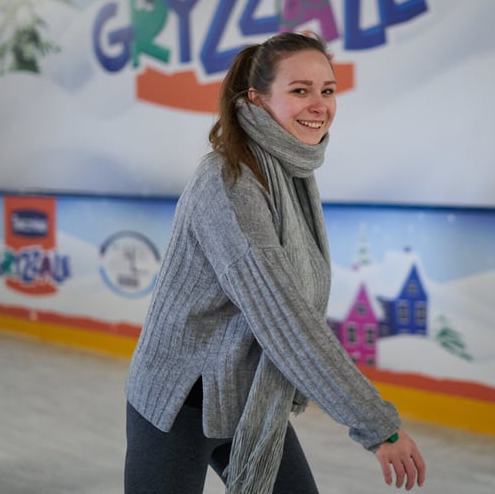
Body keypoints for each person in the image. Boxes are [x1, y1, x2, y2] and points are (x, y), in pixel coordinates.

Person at [124, 32, 426, 494]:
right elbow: (286, 321)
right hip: (177, 402)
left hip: (249, 400)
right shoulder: (229, 184)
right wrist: (375, 424)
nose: (319, 105)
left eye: (327, 90)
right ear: (257, 99)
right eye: (299, 90)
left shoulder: (289, 170)